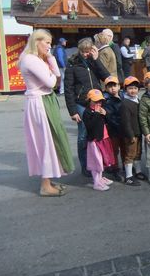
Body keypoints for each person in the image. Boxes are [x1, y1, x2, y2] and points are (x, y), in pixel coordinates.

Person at [19, 29, 75, 196]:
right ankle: (45, 185)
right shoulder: (31, 60)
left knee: (50, 140)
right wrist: (50, 61)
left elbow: (57, 79)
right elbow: (52, 82)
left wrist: (50, 61)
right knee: (46, 142)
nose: (50, 46)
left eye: (50, 43)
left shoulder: (33, 59)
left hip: (42, 101)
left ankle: (48, 180)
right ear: (37, 42)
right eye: (47, 43)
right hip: (40, 103)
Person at [64, 38, 110, 177]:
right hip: (81, 104)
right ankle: (86, 166)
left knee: (98, 134)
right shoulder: (73, 64)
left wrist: (96, 60)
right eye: (83, 51)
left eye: (88, 51)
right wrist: (72, 111)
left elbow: (106, 76)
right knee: (84, 135)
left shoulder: (93, 60)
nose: (85, 54)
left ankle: (99, 162)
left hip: (96, 102)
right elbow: (68, 89)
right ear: (79, 50)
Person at [83, 89, 116, 191]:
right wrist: (97, 114)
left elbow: (108, 121)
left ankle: (100, 178)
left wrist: (105, 114)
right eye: (95, 101)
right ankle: (96, 182)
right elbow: (90, 126)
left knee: (102, 160)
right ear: (89, 101)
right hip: (94, 140)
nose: (98, 103)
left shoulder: (101, 109)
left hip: (103, 138)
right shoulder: (87, 112)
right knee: (96, 162)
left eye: (100, 101)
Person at [120, 76, 146, 186]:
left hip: (138, 132)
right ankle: (129, 176)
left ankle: (138, 171)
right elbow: (126, 122)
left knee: (138, 153)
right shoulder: (125, 104)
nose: (133, 90)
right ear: (125, 89)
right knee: (130, 154)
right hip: (131, 134)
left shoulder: (137, 100)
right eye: (130, 88)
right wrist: (130, 135)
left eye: (135, 88)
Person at [103, 76, 123, 182]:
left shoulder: (124, 96)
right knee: (114, 151)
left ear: (119, 86)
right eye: (110, 86)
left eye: (115, 85)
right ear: (106, 88)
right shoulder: (107, 101)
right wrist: (120, 125)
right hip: (114, 130)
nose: (113, 88)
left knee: (125, 149)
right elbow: (110, 116)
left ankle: (128, 166)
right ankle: (115, 169)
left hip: (124, 129)